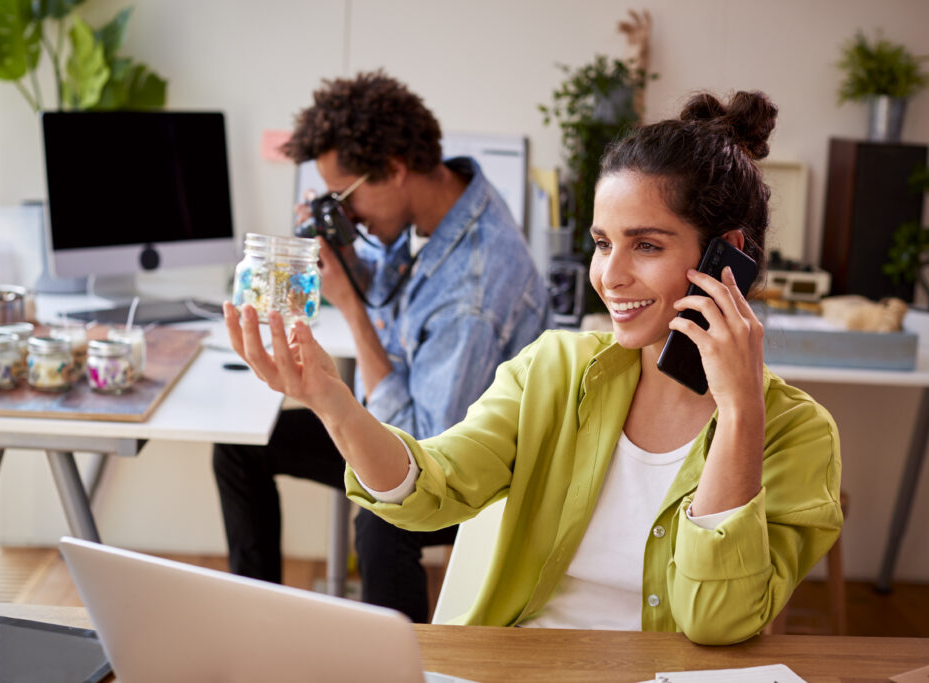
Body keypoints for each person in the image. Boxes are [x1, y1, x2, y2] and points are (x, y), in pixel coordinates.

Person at [222, 89, 842, 645]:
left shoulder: (798, 436)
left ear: (725, 258)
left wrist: (739, 415)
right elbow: (431, 493)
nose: (611, 275)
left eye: (646, 245)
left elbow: (717, 621)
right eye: (603, 243)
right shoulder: (552, 369)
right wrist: (333, 399)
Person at [212, 71, 550, 624]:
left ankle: (399, 664)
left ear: (393, 169)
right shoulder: (449, 206)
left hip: (474, 474)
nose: (347, 213)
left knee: (383, 518)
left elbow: (424, 446)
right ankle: (257, 625)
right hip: (416, 422)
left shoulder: (474, 291)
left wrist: (348, 304)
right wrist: (346, 259)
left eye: (344, 196)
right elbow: (403, 298)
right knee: (242, 446)